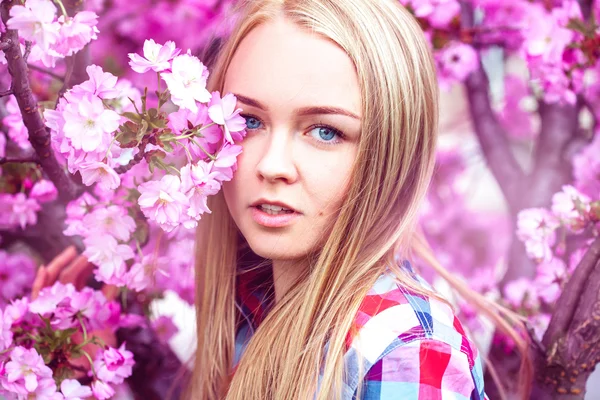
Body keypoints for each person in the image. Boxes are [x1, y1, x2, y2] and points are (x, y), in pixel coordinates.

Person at [34, 0, 533, 399]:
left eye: (325, 131)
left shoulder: (405, 353)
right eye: (249, 121)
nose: (271, 164)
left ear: (390, 152)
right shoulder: (259, 292)